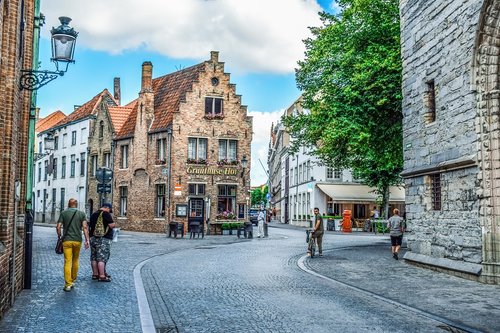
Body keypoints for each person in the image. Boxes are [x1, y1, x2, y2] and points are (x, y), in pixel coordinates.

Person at [56, 198, 89, 292]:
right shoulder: (81, 214)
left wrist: (59, 236)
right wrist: (87, 240)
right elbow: (85, 227)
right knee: (75, 260)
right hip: (77, 240)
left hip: (66, 241)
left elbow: (58, 226)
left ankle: (68, 284)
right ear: (76, 204)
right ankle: (73, 279)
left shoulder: (63, 213)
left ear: (68, 204)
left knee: (67, 261)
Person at [88, 203, 116, 282]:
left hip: (92, 237)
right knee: (101, 258)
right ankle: (102, 276)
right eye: (109, 210)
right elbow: (111, 225)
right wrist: (114, 224)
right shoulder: (106, 214)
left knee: (93, 257)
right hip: (103, 238)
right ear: (107, 208)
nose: (109, 211)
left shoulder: (93, 214)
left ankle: (95, 274)